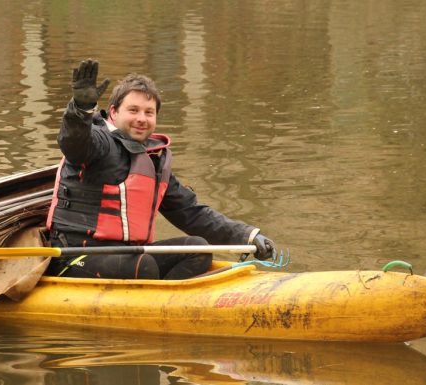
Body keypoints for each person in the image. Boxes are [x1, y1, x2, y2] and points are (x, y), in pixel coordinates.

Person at [45, 59, 276, 279]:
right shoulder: (97, 143)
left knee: (198, 250)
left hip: (128, 257)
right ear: (113, 113)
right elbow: (73, 142)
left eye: (149, 112)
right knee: (143, 266)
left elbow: (192, 212)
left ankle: (168, 306)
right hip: (76, 257)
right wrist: (80, 110)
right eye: (133, 110)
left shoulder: (154, 160)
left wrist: (248, 236)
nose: (141, 119)